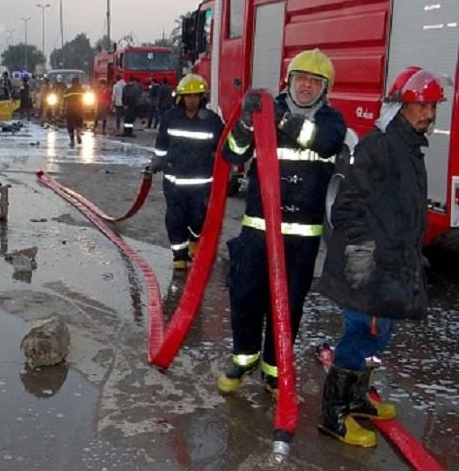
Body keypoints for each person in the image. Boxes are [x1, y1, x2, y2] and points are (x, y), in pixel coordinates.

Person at [317, 67, 445, 448]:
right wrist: (362, 259)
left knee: (380, 334)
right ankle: (333, 415)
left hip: (392, 264)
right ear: (399, 107)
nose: (429, 114)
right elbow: (347, 207)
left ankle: (357, 399)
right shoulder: (379, 146)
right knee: (360, 335)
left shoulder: (409, 145)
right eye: (420, 105)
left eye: (433, 106)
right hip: (369, 267)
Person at [217, 49, 347, 396]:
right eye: (300, 79)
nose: (306, 86)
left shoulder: (333, 122)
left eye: (314, 82)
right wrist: (246, 122)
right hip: (258, 232)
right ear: (288, 82)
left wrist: (280, 120)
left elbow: (323, 142)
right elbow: (231, 154)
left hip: (300, 241)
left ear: (325, 89)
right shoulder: (264, 112)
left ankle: (276, 371)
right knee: (245, 297)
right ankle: (243, 360)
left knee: (287, 306)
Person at [147, 74, 224, 269]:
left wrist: (226, 173)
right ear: (181, 97)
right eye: (188, 96)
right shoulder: (170, 118)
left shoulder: (213, 121)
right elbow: (162, 144)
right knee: (175, 219)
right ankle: (179, 256)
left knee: (199, 217)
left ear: (202, 97)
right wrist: (156, 162)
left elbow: (223, 148)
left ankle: (195, 240)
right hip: (174, 182)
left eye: (196, 95)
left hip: (201, 183)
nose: (192, 100)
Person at [64, 77, 86, 146]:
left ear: (72, 83)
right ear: (78, 82)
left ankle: (72, 140)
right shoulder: (82, 90)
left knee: (70, 125)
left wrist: (62, 109)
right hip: (79, 109)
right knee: (79, 123)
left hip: (70, 110)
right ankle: (78, 134)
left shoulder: (68, 90)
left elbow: (64, 99)